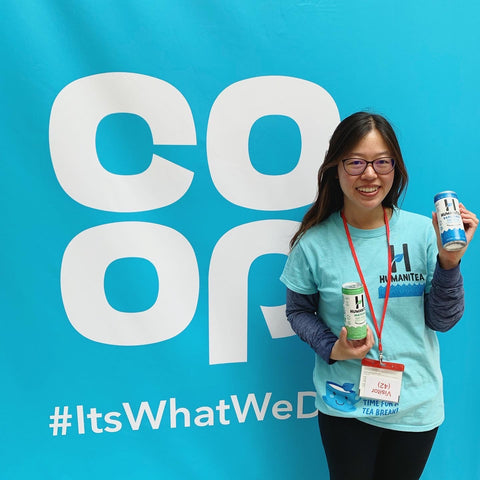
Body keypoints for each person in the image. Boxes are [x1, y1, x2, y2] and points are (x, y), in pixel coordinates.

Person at [280, 112, 478, 480]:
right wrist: (331, 347)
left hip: (415, 405)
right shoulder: (313, 243)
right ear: (335, 168)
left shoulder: (423, 232)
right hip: (346, 405)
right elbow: (298, 311)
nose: (369, 174)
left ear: (395, 168)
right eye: (355, 162)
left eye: (381, 162)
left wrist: (449, 262)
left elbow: (443, 321)